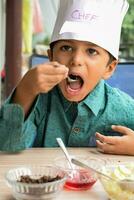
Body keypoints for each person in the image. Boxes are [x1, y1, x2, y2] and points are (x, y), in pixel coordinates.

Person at [0, 0, 134, 155]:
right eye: (66, 48)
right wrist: (26, 89)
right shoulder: (41, 100)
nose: (76, 59)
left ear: (109, 68)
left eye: (91, 51)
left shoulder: (124, 108)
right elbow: (6, 144)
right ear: (51, 57)